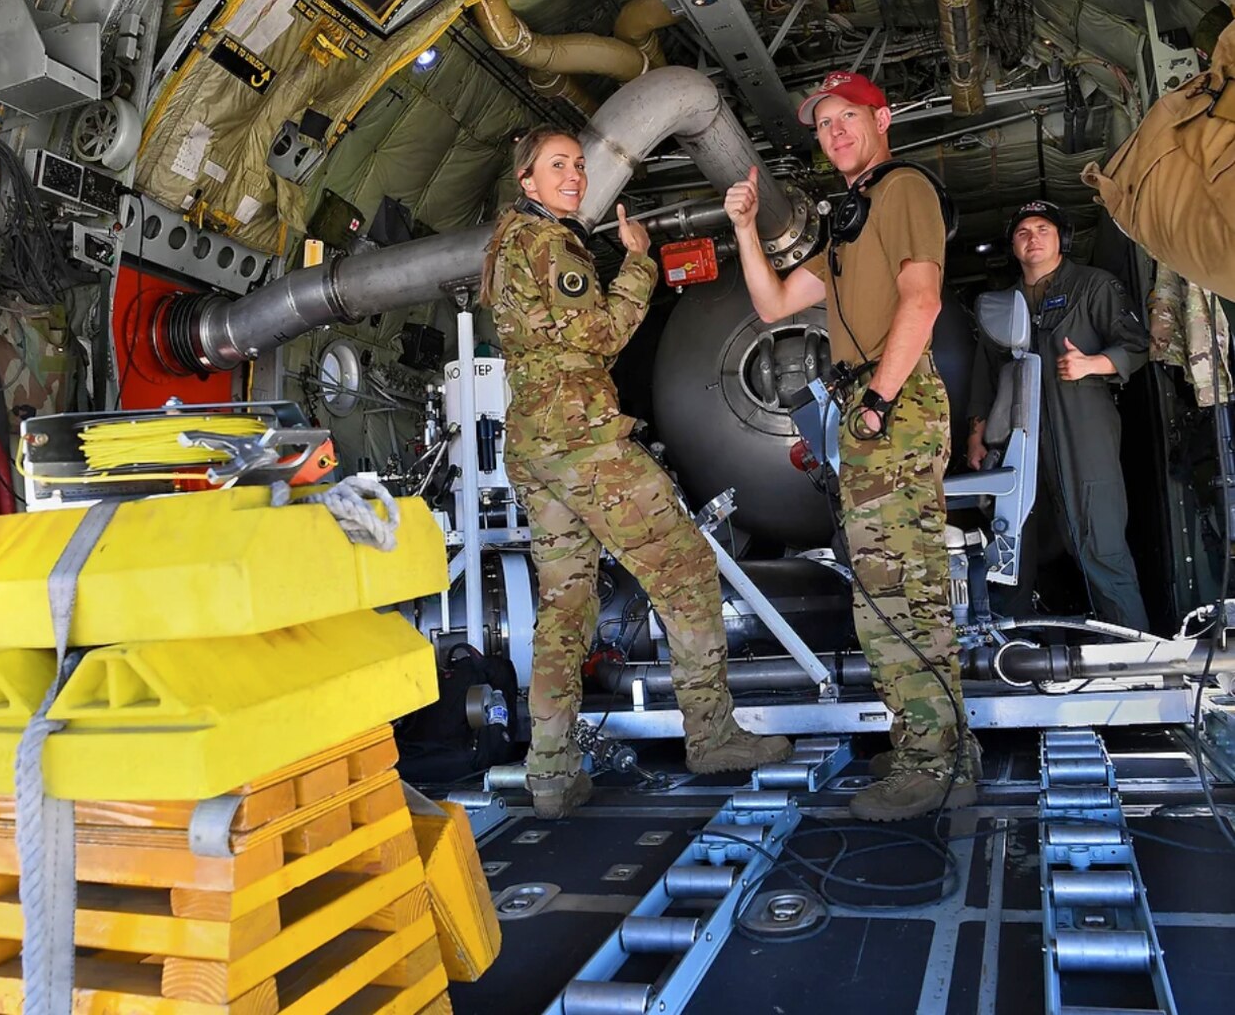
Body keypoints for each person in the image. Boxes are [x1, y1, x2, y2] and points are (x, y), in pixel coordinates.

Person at [480, 126, 793, 819]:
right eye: (555, 166)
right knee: (684, 570)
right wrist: (639, 262)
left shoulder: (504, 247)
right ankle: (711, 736)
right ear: (527, 182)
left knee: (565, 606)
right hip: (584, 443)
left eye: (577, 165)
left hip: (535, 446)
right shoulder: (552, 244)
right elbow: (600, 336)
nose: (573, 175)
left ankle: (552, 771)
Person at [724, 71, 977, 822]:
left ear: (882, 118)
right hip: (869, 406)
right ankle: (927, 745)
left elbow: (922, 299)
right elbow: (773, 303)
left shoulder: (902, 191)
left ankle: (934, 762)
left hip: (889, 404)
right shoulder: (848, 219)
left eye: (847, 118)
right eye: (823, 124)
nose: (833, 132)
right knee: (883, 592)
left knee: (904, 590)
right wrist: (742, 229)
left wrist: (875, 405)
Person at [967, 201, 1150, 631]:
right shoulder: (999, 306)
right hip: (1017, 441)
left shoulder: (1094, 286)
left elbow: (1136, 344)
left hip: (1081, 434)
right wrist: (977, 438)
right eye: (1023, 231)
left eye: (1043, 228)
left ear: (1062, 239)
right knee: (1010, 550)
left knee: (1100, 546)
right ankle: (1008, 653)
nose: (1033, 237)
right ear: (1013, 246)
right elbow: (984, 376)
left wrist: (1094, 364)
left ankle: (1136, 652)